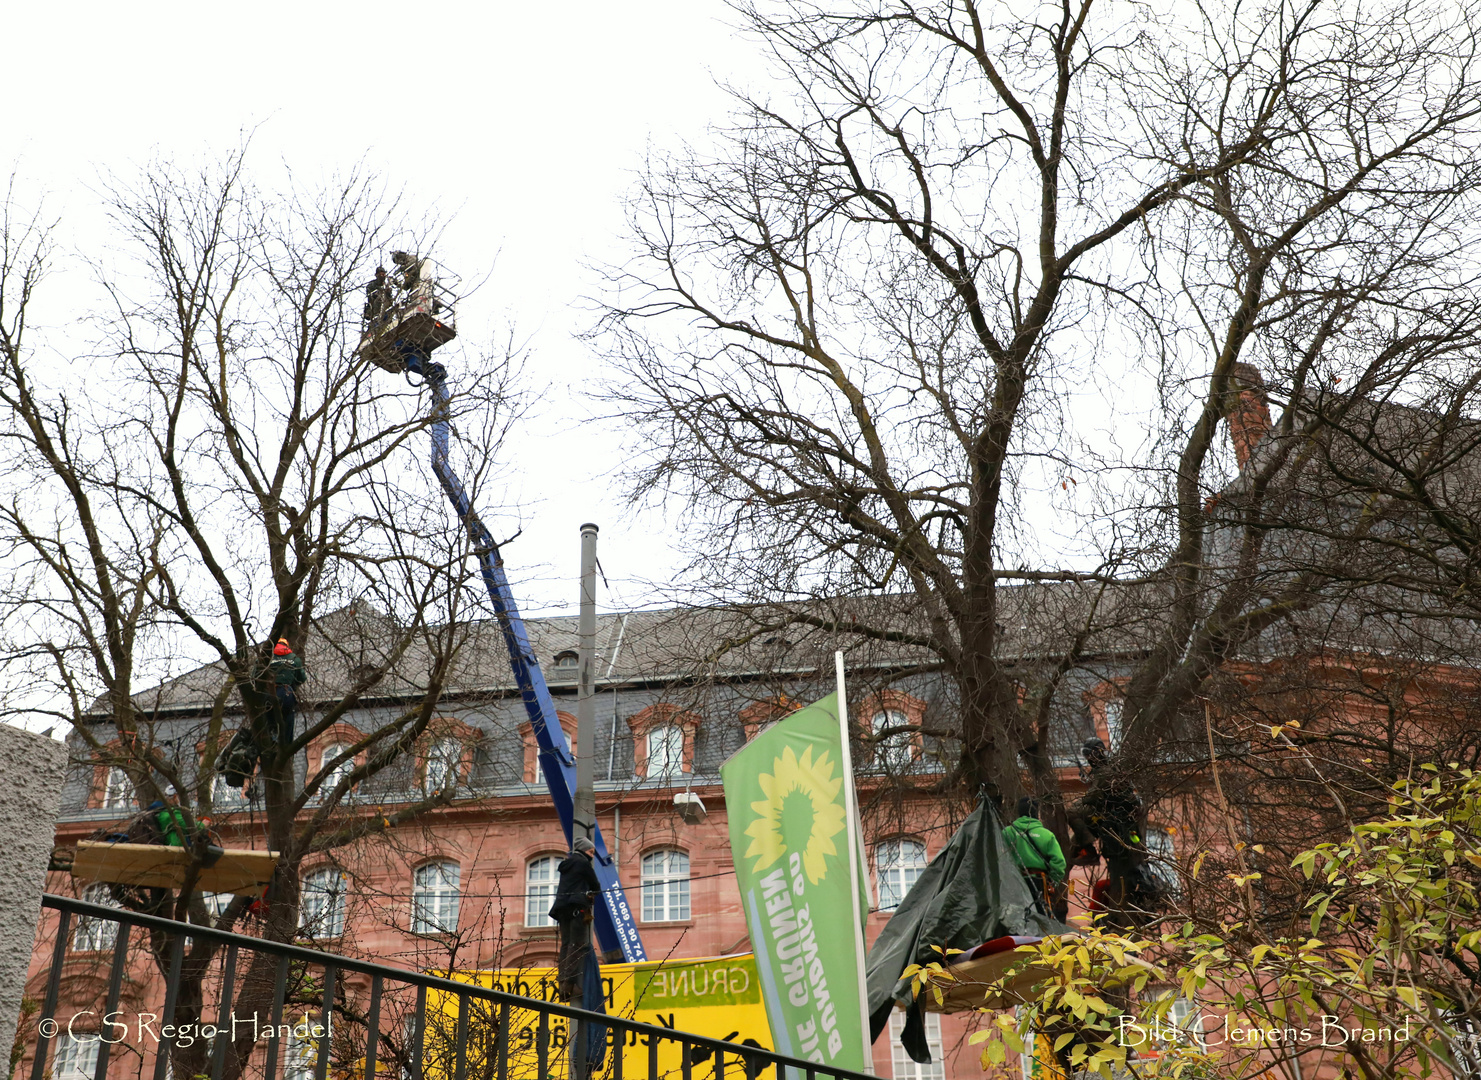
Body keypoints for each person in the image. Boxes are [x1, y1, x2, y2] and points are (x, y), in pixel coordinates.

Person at [1071, 736, 1154, 925]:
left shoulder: (1106, 773)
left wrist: (1086, 794)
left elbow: (1092, 798)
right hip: (1113, 823)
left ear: (1098, 753)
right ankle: (1083, 846)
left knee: (1072, 812)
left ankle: (1088, 849)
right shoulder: (1107, 771)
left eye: (1090, 755)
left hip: (1115, 824)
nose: (1088, 759)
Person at [549, 836, 600, 1001]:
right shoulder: (583, 863)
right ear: (585, 850)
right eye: (591, 852)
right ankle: (570, 985)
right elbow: (596, 885)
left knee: (565, 945)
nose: (592, 855)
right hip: (577, 908)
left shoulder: (567, 865)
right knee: (577, 945)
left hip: (562, 910)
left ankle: (562, 980)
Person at [1002, 796, 1067, 917]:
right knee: (1041, 916)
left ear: (1019, 812)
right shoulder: (1047, 835)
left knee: (1017, 916)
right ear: (1036, 813)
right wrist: (1053, 881)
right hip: (1039, 881)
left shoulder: (1007, 832)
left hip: (1015, 881)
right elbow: (1059, 862)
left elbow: (1000, 858)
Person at [269, 638, 307, 749]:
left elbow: (255, 675)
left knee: (268, 717)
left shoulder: (266, 657)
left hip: (268, 693)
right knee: (289, 715)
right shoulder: (294, 658)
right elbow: (302, 678)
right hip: (285, 692)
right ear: (287, 646)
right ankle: (286, 744)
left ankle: (271, 738)